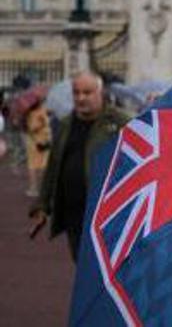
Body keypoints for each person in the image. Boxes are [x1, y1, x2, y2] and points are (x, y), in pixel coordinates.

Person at [28, 71, 129, 261]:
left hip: (107, 215)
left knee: (106, 268)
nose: (81, 98)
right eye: (76, 92)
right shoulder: (65, 124)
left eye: (87, 92)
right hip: (74, 213)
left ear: (100, 92)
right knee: (82, 264)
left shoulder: (120, 123)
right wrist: (42, 206)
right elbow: (53, 167)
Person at [24, 98, 51, 197]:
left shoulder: (40, 112)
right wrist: (42, 123)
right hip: (36, 142)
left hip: (42, 141)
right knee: (35, 166)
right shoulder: (33, 114)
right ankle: (34, 188)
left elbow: (34, 128)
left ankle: (38, 188)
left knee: (40, 166)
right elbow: (32, 128)